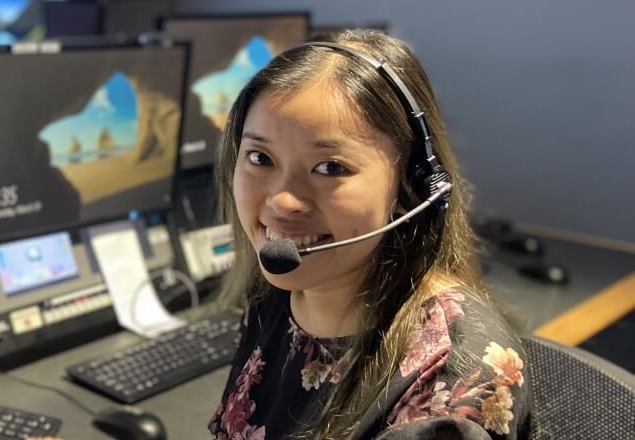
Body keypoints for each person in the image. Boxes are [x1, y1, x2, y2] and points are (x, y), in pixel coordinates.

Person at [208, 30, 531, 439]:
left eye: (330, 167)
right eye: (260, 158)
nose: (283, 201)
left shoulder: (448, 390)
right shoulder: (281, 290)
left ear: (409, 186)